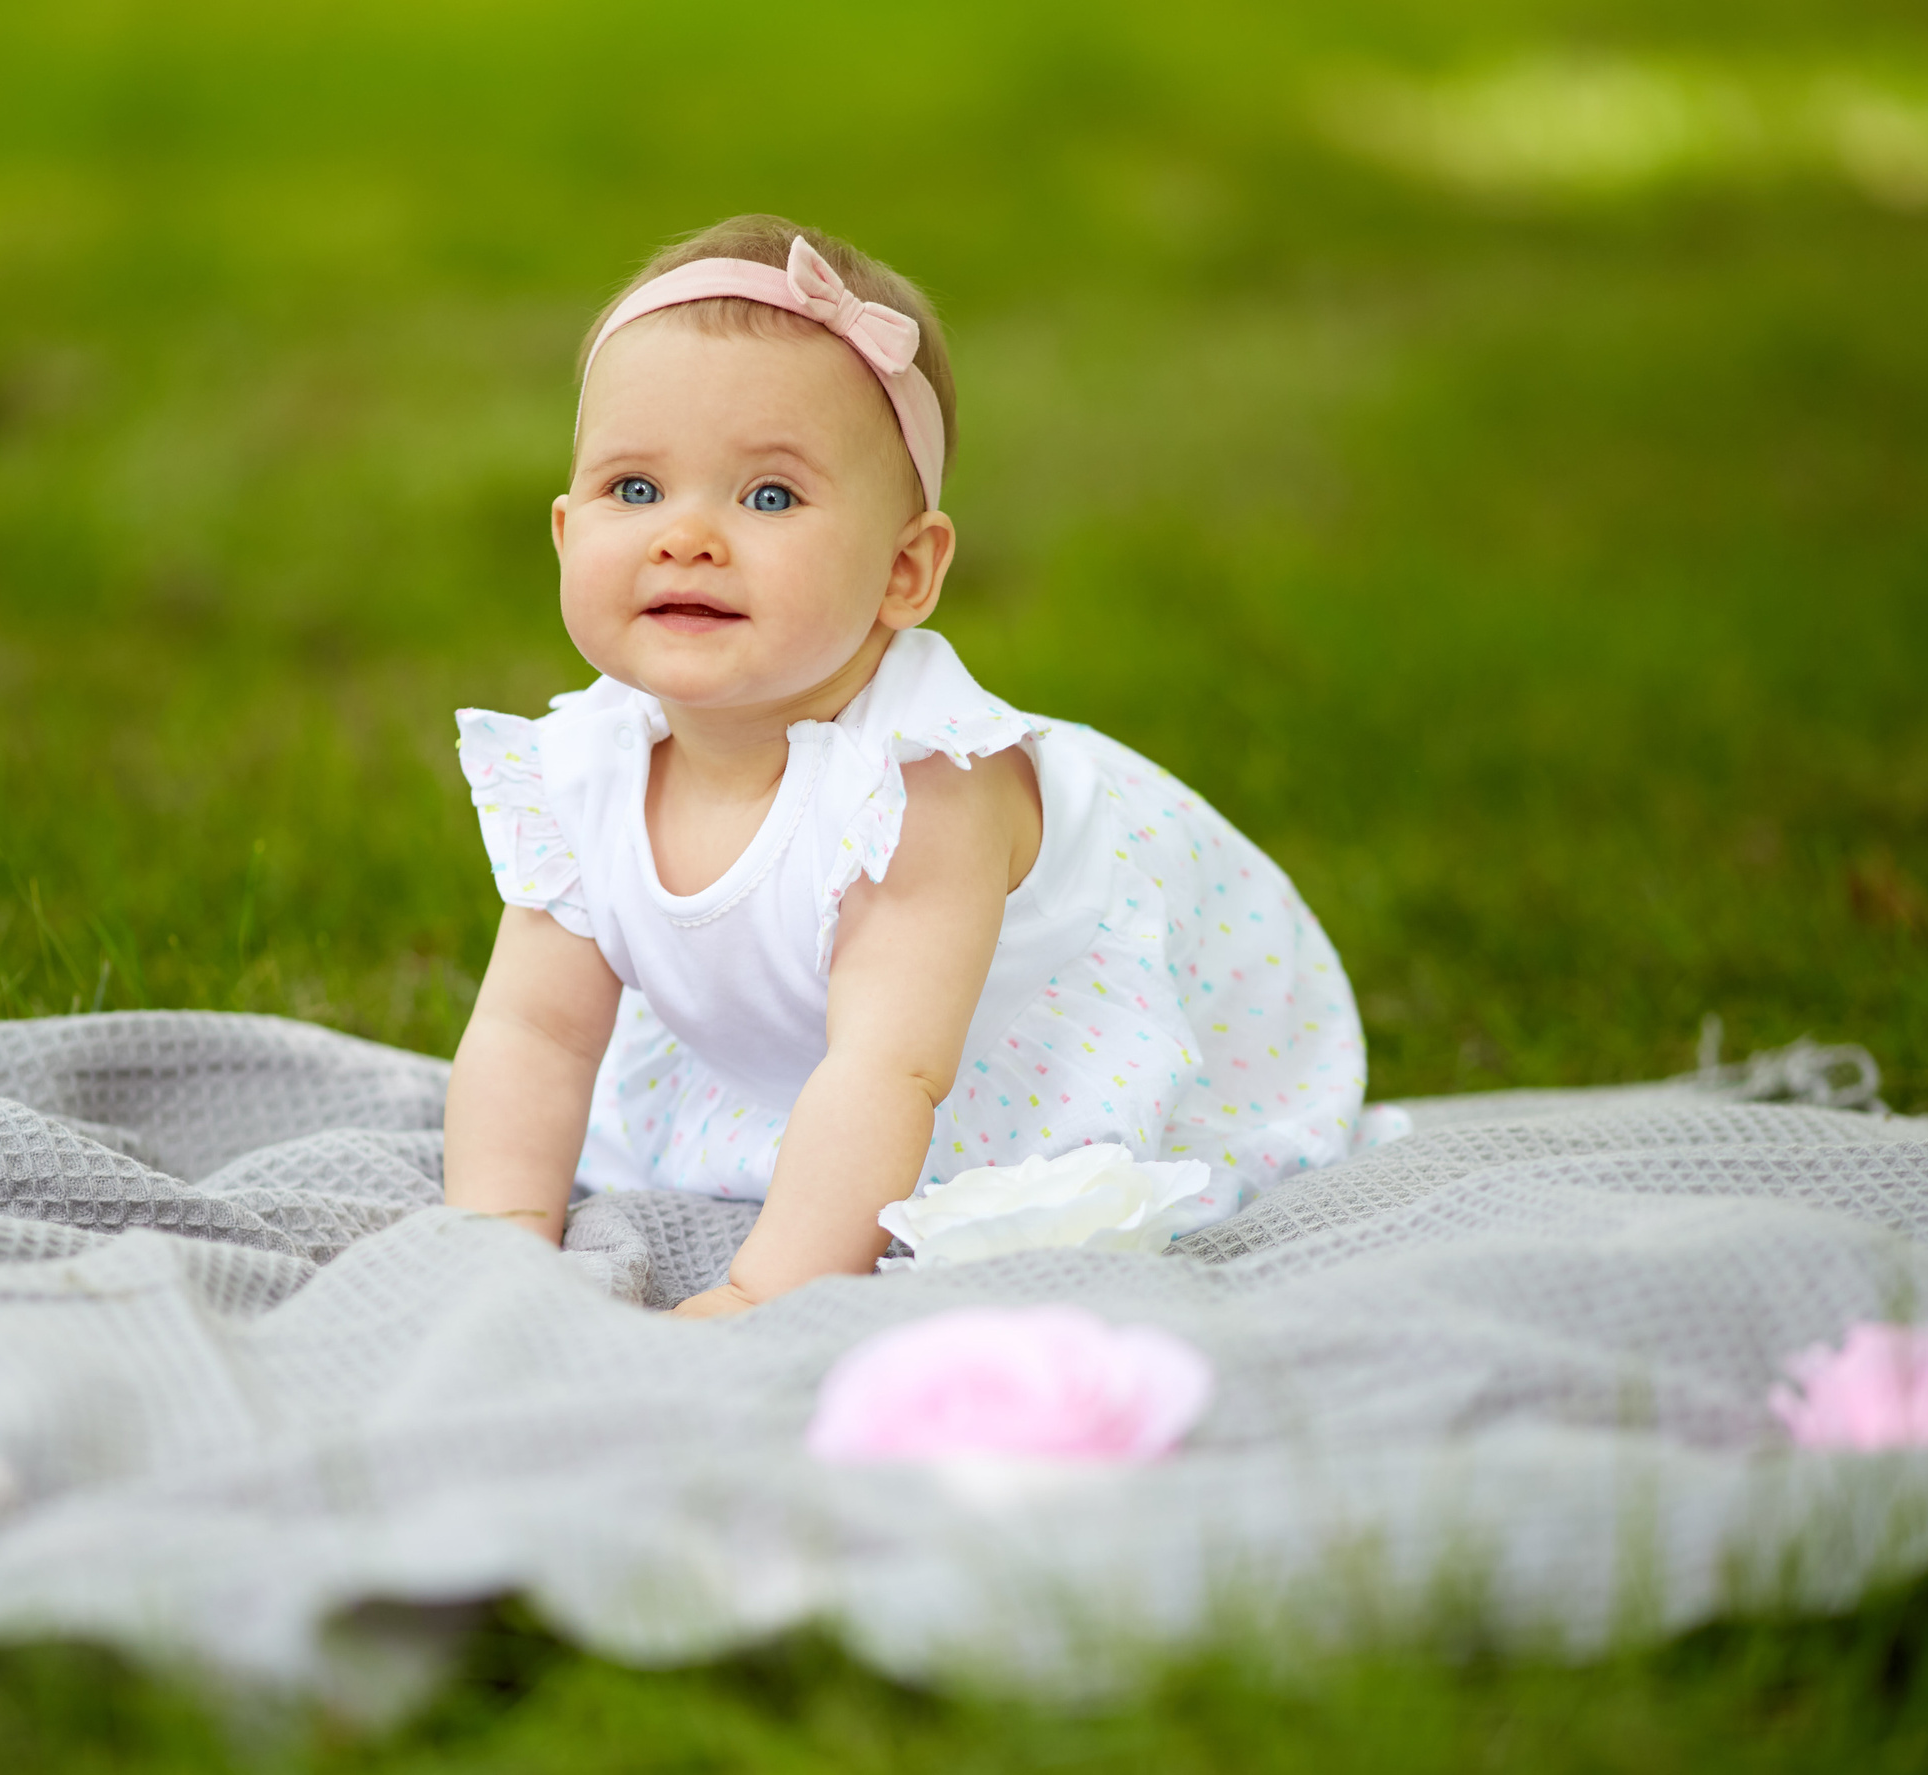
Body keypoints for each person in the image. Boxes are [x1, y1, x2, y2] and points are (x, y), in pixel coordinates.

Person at [444, 214, 1364, 1317]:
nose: (684, 535)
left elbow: (891, 1070)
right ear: (562, 530)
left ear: (905, 570)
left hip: (1001, 1054)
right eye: (633, 489)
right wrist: (496, 1243)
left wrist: (762, 1289)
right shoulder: (584, 767)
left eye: (769, 495)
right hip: (818, 1052)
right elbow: (533, 1029)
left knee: (952, 1175)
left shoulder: (921, 785)